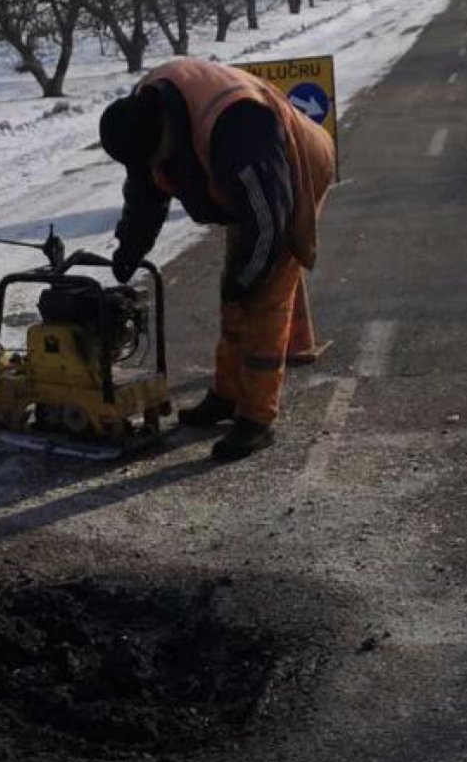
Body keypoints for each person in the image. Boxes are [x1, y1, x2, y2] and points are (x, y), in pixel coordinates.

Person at [96, 57, 338, 461]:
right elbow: (145, 195)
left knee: (260, 299)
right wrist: (129, 252)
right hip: (250, 186)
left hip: (296, 173)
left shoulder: (239, 127)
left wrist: (248, 278)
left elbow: (267, 222)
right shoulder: (144, 114)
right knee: (233, 293)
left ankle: (257, 419)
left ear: (166, 135)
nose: (153, 168)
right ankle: (226, 396)